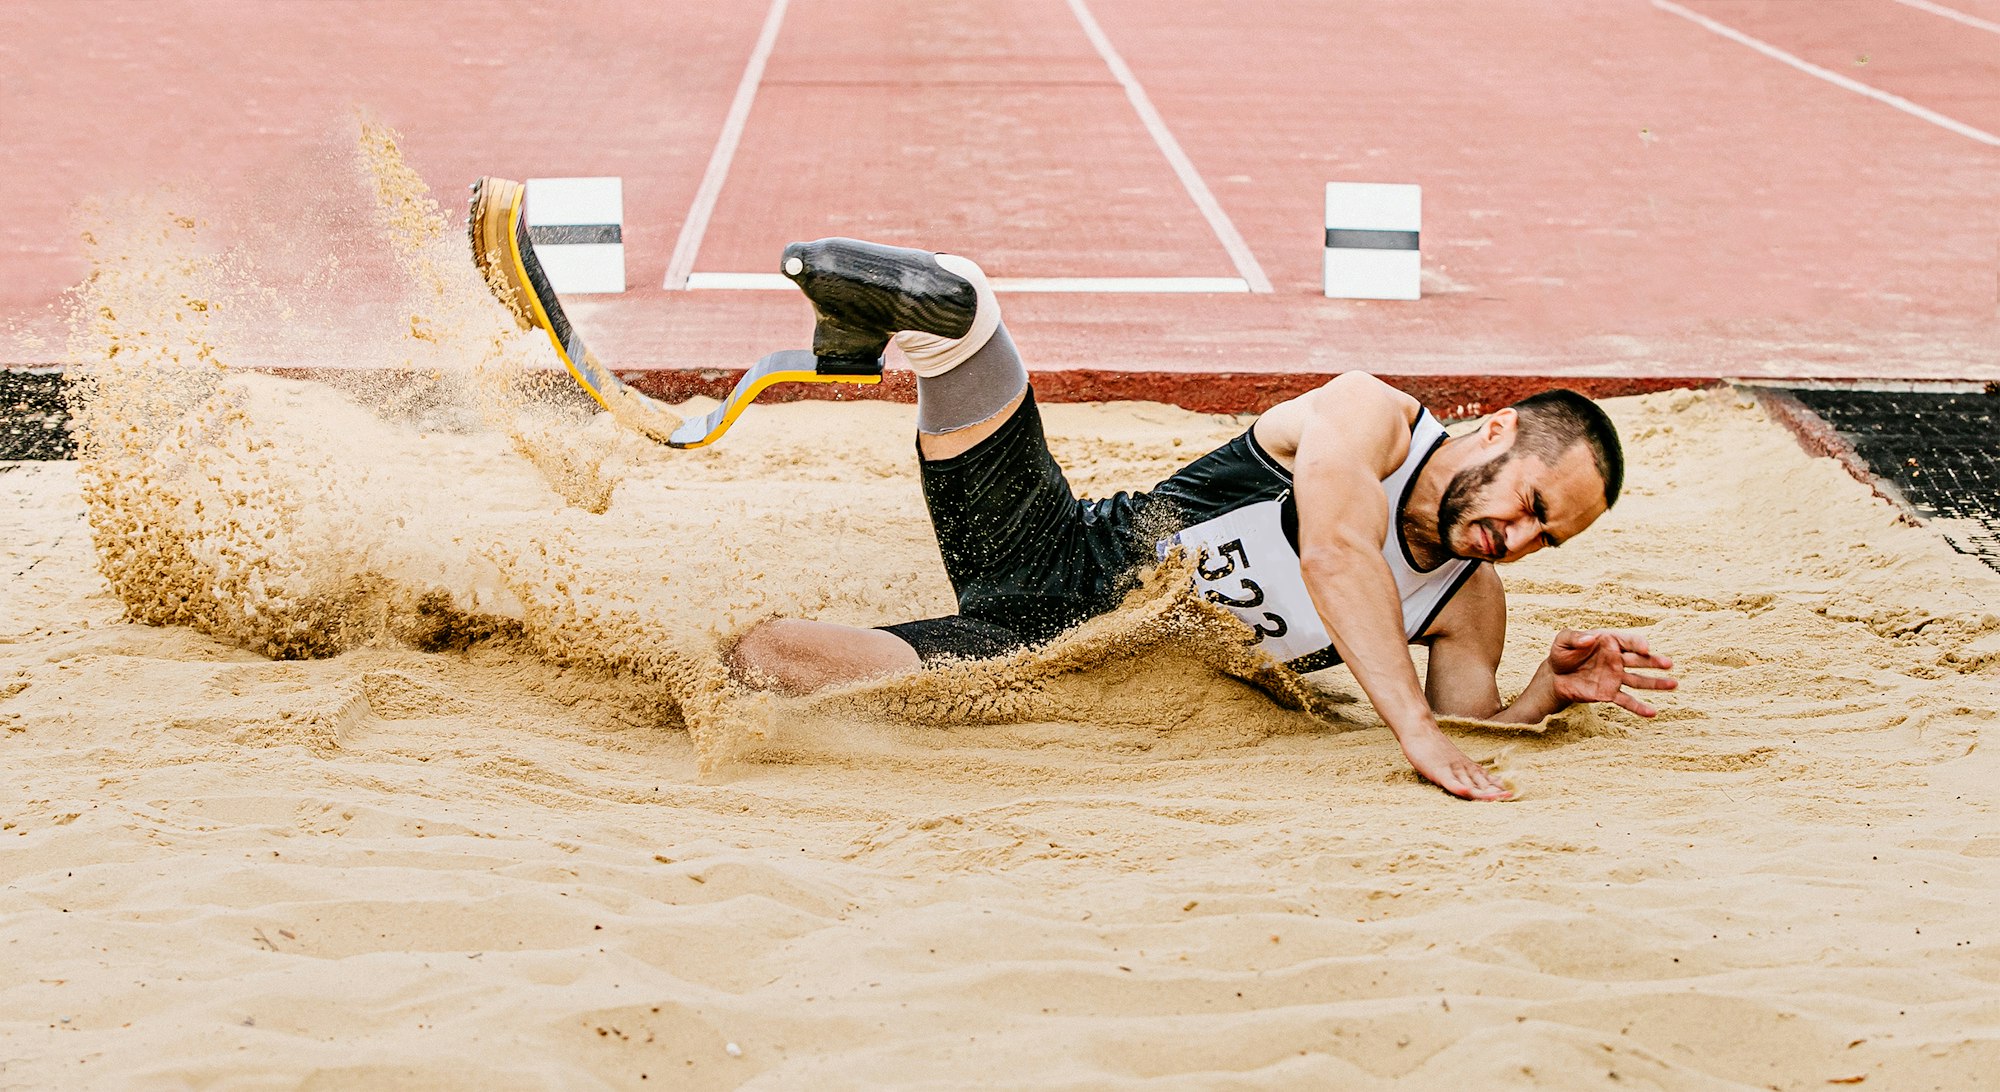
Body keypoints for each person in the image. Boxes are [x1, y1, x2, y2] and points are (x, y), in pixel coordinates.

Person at [728, 238, 1678, 801]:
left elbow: (1464, 720)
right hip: (1061, 552)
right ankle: (942, 310)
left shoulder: (1468, 600)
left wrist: (1546, 696)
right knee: (960, 328)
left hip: (1047, 665)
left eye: (1547, 540)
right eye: (1532, 507)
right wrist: (1416, 742)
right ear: (1497, 430)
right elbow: (1338, 553)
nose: (1515, 540)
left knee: (768, 663)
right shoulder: (1369, 415)